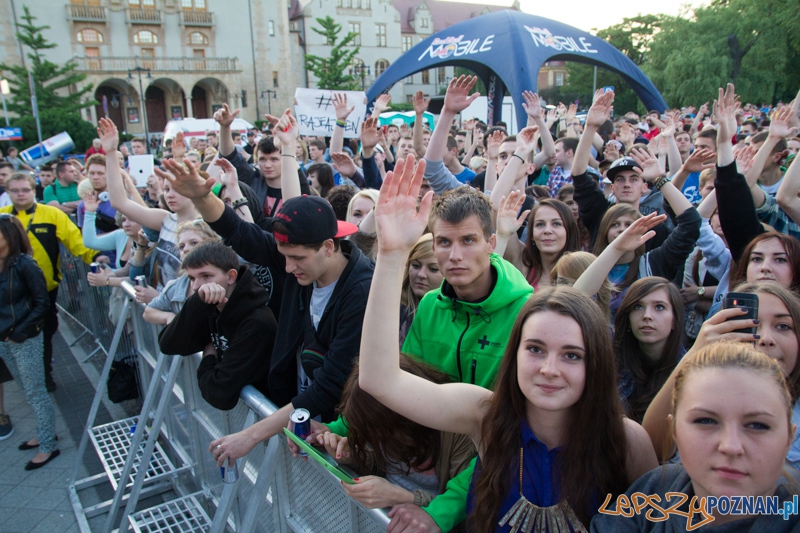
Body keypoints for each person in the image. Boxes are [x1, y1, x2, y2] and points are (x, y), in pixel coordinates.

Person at [361, 156, 658, 531]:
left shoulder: (627, 441)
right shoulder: (486, 417)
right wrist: (391, 256)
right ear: (513, 353)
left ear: (594, 362)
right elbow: (378, 379)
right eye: (534, 349)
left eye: (571, 355)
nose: (549, 368)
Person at [158, 113, 374, 466]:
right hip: (296, 412)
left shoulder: (361, 291)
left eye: (298, 258)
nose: (287, 268)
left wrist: (251, 435)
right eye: (284, 257)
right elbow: (241, 234)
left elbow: (332, 382)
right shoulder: (298, 260)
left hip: (338, 427)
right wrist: (202, 198)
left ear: (329, 246)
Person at [593, 341, 800, 531]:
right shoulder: (651, 494)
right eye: (705, 421)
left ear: (789, 439)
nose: (730, 446)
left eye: (758, 425)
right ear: (674, 430)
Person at [643, 282, 800, 469]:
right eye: (750, 324)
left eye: (782, 326)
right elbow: (654, 448)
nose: (765, 338)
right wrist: (696, 353)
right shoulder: (702, 393)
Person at [301, 355, 476, 515]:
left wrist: (402, 497)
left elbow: (465, 510)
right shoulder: (379, 423)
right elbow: (381, 467)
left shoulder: (457, 433)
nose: (378, 439)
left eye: (381, 431)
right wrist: (353, 457)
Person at [1, 172, 97, 393]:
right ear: (7, 192)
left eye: (25, 189)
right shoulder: (3, 217)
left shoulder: (51, 214)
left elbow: (77, 242)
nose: (20, 194)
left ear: (33, 190)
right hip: (8, 292)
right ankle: (23, 375)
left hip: (44, 291)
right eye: (14, 190)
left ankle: (43, 376)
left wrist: (94, 257)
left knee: (43, 333)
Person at [159, 241, 277, 410]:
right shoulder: (210, 306)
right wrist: (195, 303)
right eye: (192, 278)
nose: (197, 286)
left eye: (206, 276)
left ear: (230, 276)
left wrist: (208, 357)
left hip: (267, 418)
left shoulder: (257, 322)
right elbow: (168, 345)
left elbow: (218, 393)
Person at [100, 118, 198, 286]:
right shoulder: (165, 219)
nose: (170, 195)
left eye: (177, 189)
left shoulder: (206, 226)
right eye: (166, 189)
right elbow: (119, 202)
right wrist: (110, 153)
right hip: (161, 303)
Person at [0, 214, 59, 469]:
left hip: (24, 338)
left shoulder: (25, 264)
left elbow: (42, 304)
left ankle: (48, 445)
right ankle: (45, 433)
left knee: (36, 393)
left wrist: (19, 333)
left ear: (8, 237)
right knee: (27, 391)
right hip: (5, 339)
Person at [214, 104, 310, 218]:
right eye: (262, 159)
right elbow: (229, 156)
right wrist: (225, 127)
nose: (267, 165)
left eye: (274, 159)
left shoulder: (297, 181)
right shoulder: (252, 179)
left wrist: (286, 144)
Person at [613, 277, 685, 423]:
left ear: (675, 321)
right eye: (638, 307)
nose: (647, 316)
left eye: (659, 307)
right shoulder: (612, 360)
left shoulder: (689, 370)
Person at [495, 192, 580, 289]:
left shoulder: (582, 270)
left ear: (569, 230)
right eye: (540, 224)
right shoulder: (523, 264)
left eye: (556, 224)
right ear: (531, 234)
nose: (547, 230)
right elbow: (495, 205)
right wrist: (503, 233)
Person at [142, 220, 221, 326]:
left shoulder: (226, 277)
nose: (186, 249)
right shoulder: (176, 286)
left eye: (193, 243)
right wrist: (169, 317)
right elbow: (148, 312)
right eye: (181, 246)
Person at [400, 234, 443, 346]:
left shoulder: (453, 314)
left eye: (433, 269)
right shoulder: (393, 306)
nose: (421, 274)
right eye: (416, 265)